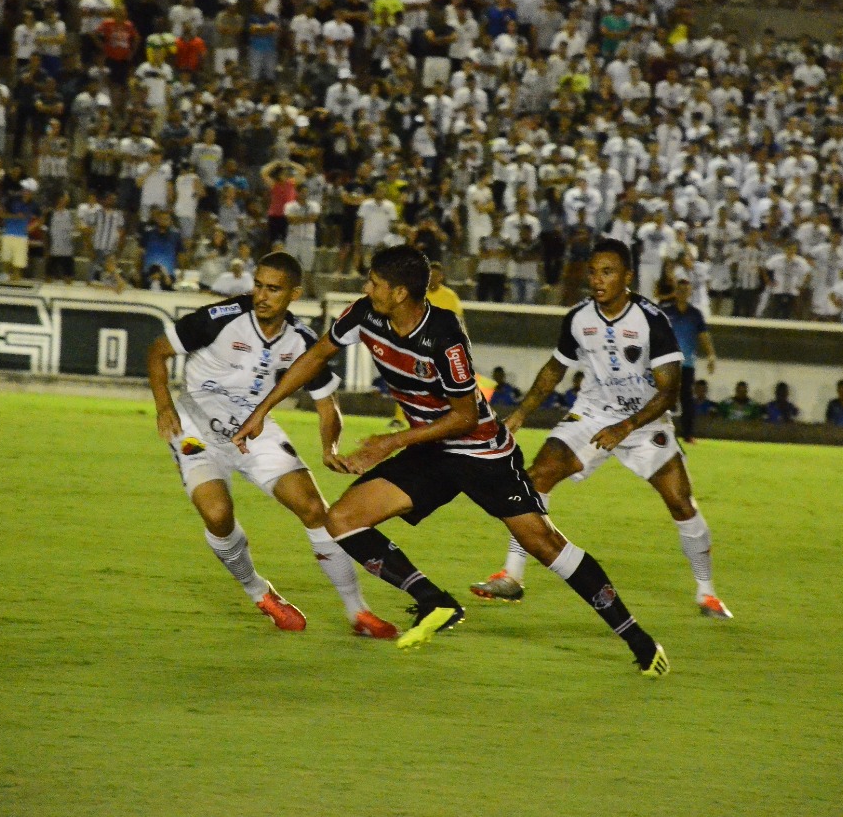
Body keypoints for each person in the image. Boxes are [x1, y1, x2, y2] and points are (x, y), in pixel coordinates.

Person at [232, 244, 669, 675]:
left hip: (482, 451)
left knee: (545, 545)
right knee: (343, 519)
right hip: (429, 448)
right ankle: (434, 601)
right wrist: (261, 410)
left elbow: (464, 417)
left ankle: (639, 640)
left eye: (376, 283)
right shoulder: (363, 313)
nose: (368, 289)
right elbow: (315, 357)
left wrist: (392, 442)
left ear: (400, 293)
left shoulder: (444, 335)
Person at [468, 238, 731, 621]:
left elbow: (669, 391)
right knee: (536, 477)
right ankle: (512, 575)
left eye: (607, 272)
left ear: (627, 277)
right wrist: (521, 414)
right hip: (592, 414)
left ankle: (707, 593)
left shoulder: (652, 320)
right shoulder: (578, 317)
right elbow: (555, 368)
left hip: (644, 422)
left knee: (680, 503)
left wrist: (625, 427)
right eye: (592, 272)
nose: (597, 279)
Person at [146, 252, 396, 639]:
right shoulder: (220, 319)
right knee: (216, 514)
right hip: (195, 430)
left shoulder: (302, 341)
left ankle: (358, 612)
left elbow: (327, 404)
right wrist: (164, 408)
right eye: (258, 285)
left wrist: (330, 449)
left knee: (315, 509)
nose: (261, 295)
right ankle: (260, 593)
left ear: (294, 294)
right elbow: (157, 352)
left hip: (253, 431)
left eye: (273, 289)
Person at [661, 276, 717, 443]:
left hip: (687, 364)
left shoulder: (695, 314)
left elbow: (704, 336)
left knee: (687, 399)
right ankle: (660, 434)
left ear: (690, 293)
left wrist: (711, 355)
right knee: (664, 399)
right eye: (680, 290)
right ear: (675, 292)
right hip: (667, 363)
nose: (682, 293)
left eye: (686, 291)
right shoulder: (665, 312)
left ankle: (688, 434)